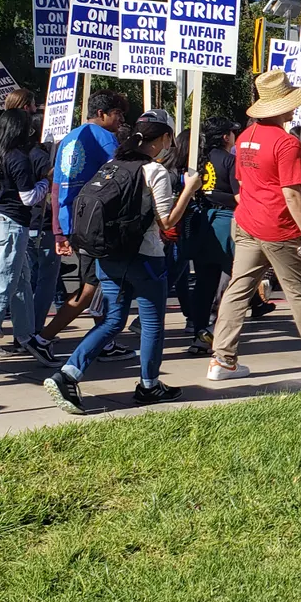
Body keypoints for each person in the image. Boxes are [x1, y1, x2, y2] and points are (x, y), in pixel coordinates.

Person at [207, 70, 301, 381]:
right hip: (279, 227)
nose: (294, 108)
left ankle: (222, 359)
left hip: (248, 224)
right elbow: (292, 194)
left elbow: (240, 180)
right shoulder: (286, 144)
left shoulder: (245, 138)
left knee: (238, 291)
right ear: (282, 106)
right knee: (297, 292)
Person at [42, 116, 200, 411]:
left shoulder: (112, 166)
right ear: (161, 140)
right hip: (145, 257)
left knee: (114, 320)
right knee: (153, 323)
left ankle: (68, 374)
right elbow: (166, 220)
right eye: (170, 140)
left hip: (109, 255)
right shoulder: (155, 171)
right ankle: (150, 385)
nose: (171, 146)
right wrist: (189, 190)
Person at [34, 89, 131, 364]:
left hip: (71, 220)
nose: (120, 120)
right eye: (117, 114)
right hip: (93, 223)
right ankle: (43, 339)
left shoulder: (69, 139)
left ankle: (105, 340)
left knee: (100, 281)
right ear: (101, 114)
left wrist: (58, 229)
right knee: (91, 286)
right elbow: (120, 176)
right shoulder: (105, 139)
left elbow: (56, 187)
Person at [0, 108, 52, 359]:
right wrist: (46, 183)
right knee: (5, 282)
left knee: (20, 280)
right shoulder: (17, 157)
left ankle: (26, 335)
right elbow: (28, 197)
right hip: (12, 224)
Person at [183, 116, 242, 353]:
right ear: (226, 137)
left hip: (202, 219)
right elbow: (240, 196)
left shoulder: (198, 160)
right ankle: (217, 331)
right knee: (236, 280)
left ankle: (199, 331)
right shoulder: (230, 161)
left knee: (204, 283)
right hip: (225, 221)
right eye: (232, 132)